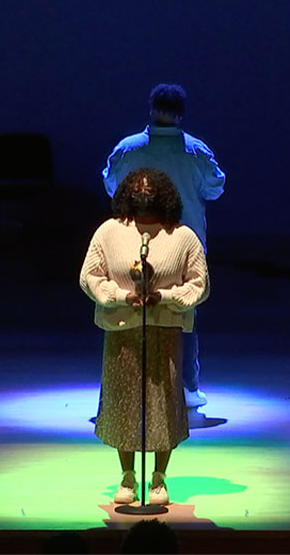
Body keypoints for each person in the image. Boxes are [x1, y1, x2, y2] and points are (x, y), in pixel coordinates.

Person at [80, 168, 209, 506]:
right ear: (126, 193)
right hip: (122, 330)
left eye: (150, 188)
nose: (143, 193)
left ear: (164, 195)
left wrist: (165, 297)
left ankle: (159, 477)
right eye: (137, 187)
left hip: (163, 330)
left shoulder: (182, 237)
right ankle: (126, 475)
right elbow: (89, 276)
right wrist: (121, 297)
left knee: (162, 403)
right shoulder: (109, 232)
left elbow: (200, 284)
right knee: (124, 401)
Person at [102, 83, 225, 409]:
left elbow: (111, 185)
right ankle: (185, 387)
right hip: (184, 246)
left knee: (132, 311)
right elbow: (215, 188)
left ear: (150, 108)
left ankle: (132, 384)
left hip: (134, 243)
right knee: (183, 313)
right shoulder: (196, 151)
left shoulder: (129, 149)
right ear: (181, 115)